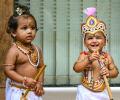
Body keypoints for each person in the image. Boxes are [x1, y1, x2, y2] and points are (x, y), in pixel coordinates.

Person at [73, 7, 119, 100]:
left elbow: (116, 72)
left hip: (102, 91)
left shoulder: (107, 56)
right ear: (84, 43)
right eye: (90, 38)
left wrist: (109, 73)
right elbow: (76, 68)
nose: (94, 41)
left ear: (105, 41)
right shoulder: (84, 55)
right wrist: (88, 60)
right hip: (86, 92)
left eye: (98, 37)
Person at [4, 4, 45, 100]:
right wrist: (24, 80)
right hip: (19, 91)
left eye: (33, 28)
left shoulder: (37, 49)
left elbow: (41, 67)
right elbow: (8, 71)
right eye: (24, 28)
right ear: (14, 32)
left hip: (33, 91)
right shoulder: (14, 51)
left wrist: (40, 83)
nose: (29, 31)